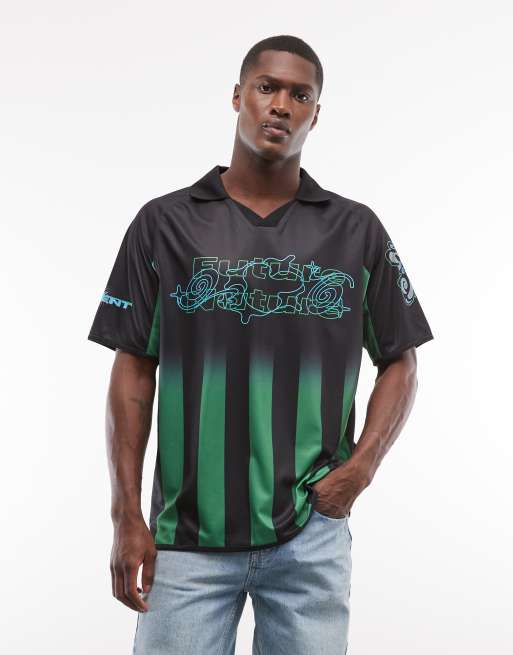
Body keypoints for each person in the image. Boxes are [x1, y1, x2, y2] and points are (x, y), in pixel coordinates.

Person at [88, 34, 434, 655]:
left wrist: (360, 469)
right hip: (186, 537)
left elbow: (401, 359)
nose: (281, 105)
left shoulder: (355, 229)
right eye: (267, 87)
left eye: (300, 95)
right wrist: (125, 514)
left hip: (311, 534)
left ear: (315, 115)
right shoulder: (163, 224)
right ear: (237, 96)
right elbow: (133, 368)